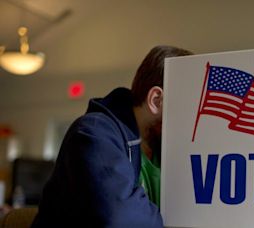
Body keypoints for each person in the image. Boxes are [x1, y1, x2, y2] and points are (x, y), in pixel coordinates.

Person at [32, 46, 193, 227]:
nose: (191, 115)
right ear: (156, 100)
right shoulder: (93, 133)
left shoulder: (166, 149)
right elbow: (120, 218)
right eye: (187, 103)